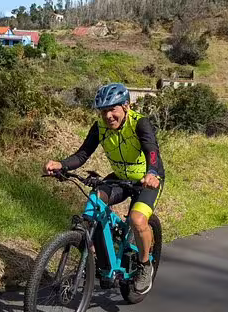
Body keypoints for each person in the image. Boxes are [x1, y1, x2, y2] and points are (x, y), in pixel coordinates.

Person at [44, 83, 165, 294]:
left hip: (147, 180)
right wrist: (61, 165)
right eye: (103, 111)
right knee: (93, 204)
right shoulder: (99, 128)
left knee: (137, 220)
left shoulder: (139, 123)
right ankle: (93, 261)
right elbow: (82, 155)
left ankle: (145, 265)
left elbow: (152, 150)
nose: (108, 116)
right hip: (119, 178)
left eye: (112, 109)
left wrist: (152, 173)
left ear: (126, 106)